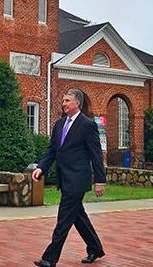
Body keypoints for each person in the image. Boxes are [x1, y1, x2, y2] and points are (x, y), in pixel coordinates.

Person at [32, 88, 107, 267]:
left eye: (67, 100)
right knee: (78, 216)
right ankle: (95, 248)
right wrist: (41, 167)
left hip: (78, 179)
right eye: (63, 100)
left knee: (64, 219)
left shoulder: (87, 125)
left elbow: (96, 154)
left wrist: (99, 180)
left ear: (77, 103)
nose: (63, 103)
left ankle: (50, 259)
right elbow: (52, 150)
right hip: (64, 178)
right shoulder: (59, 124)